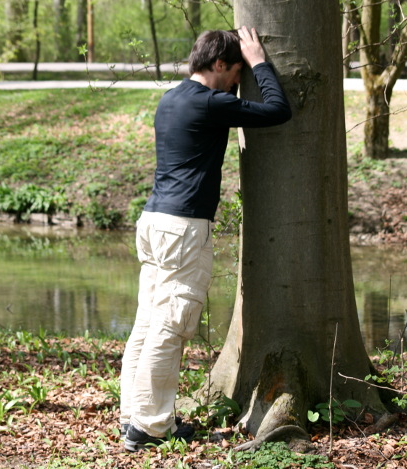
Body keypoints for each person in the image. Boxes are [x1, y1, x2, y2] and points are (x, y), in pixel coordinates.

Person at [120, 26, 292, 452]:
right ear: (219, 64)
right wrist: (260, 63)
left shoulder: (172, 98)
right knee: (170, 325)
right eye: (235, 73)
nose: (238, 83)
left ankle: (135, 415)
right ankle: (151, 426)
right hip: (182, 228)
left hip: (153, 222)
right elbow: (277, 110)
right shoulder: (211, 103)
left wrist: (243, 68)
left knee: (147, 322)